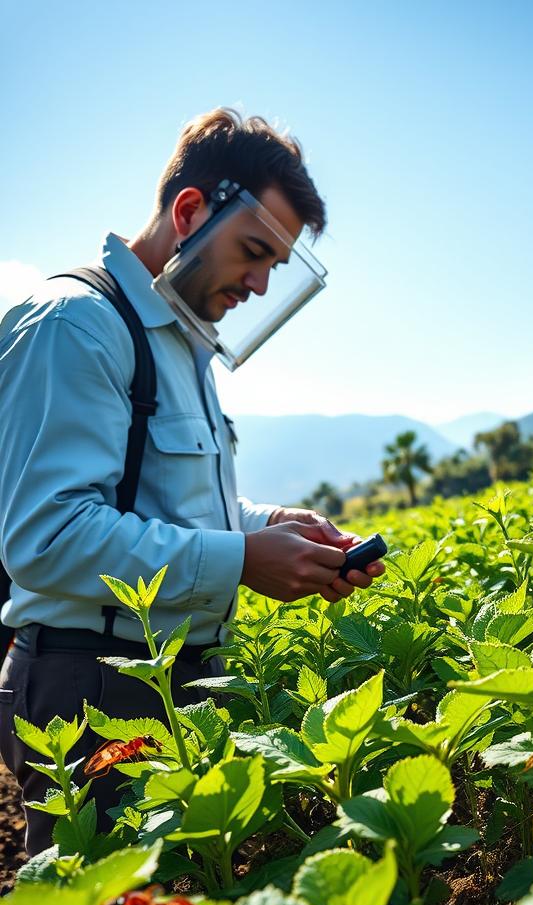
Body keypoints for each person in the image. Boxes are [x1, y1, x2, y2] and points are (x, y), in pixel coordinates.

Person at [0, 109, 385, 856]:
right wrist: (242, 560)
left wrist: (267, 522)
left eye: (277, 264)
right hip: (92, 689)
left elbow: (157, 501)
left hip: (182, 680)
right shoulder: (76, 325)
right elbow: (46, 537)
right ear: (188, 212)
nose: (262, 283)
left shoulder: (180, 340)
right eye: (254, 251)